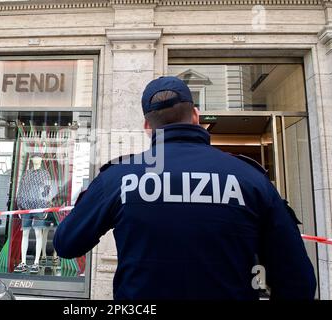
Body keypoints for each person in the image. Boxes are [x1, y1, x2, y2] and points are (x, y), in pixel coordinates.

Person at [53, 76, 316, 300]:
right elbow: (299, 281)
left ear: (147, 127)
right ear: (196, 116)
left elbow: (66, 244)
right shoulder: (250, 178)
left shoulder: (118, 178)